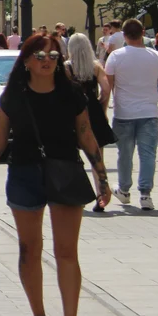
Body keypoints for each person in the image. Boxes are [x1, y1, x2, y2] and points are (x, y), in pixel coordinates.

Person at [0, 34, 111, 316]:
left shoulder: (71, 93)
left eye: (53, 56)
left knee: (66, 250)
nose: (47, 60)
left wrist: (101, 176)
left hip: (65, 170)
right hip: (24, 172)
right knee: (30, 249)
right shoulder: (14, 95)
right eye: (40, 55)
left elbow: (87, 136)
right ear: (27, 60)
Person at [105, 19, 158, 211]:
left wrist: (103, 110)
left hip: (123, 113)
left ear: (123, 35)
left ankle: (124, 190)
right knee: (148, 154)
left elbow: (107, 87)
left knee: (124, 154)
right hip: (149, 112)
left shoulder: (116, 57)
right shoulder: (156, 56)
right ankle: (145, 194)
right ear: (143, 33)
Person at [65, 33, 115, 212]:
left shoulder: (67, 68)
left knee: (72, 156)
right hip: (93, 110)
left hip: (73, 112)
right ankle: (101, 194)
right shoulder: (95, 66)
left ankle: (75, 195)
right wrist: (102, 106)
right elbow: (107, 89)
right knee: (96, 156)